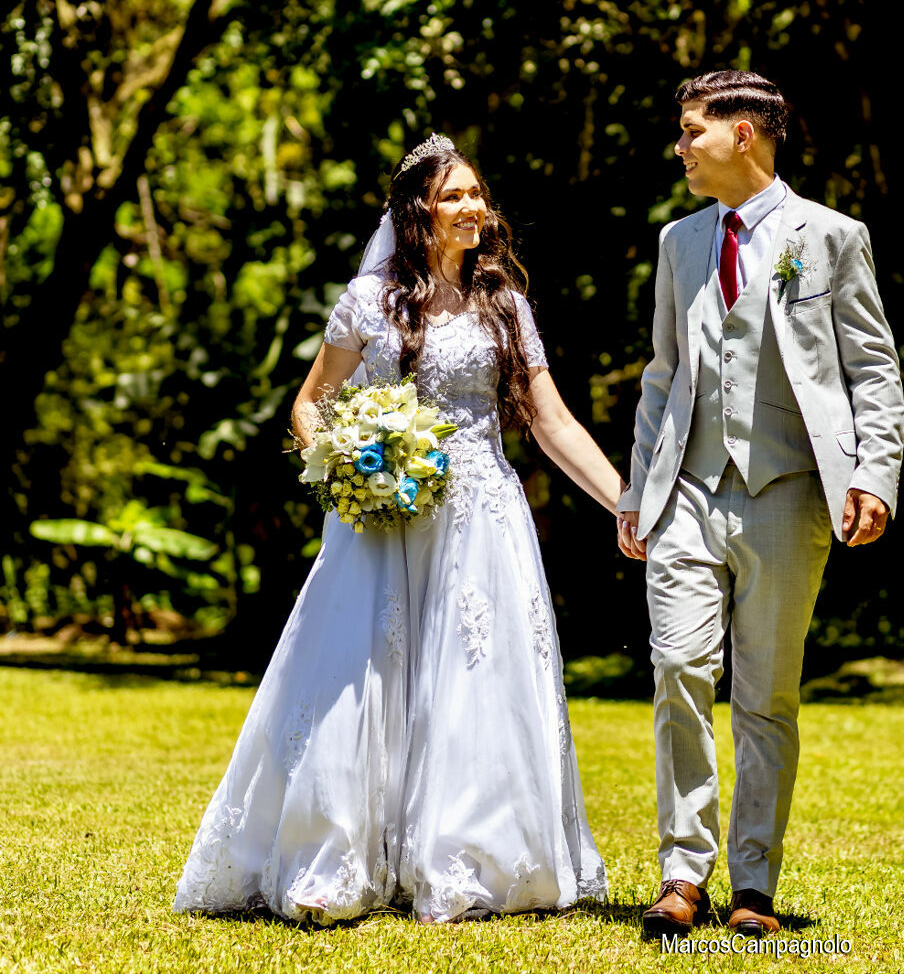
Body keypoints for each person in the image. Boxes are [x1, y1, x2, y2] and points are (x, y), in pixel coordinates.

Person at [173, 134, 622, 924]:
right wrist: (349, 467)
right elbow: (309, 406)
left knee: (476, 682)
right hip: (379, 520)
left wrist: (623, 499)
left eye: (477, 194)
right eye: (454, 196)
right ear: (417, 211)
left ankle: (469, 861)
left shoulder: (504, 304)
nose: (473, 207)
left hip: (480, 515)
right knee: (359, 678)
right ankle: (333, 863)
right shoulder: (368, 301)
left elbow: (549, 420)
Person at [614, 71, 904, 938]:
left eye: (692, 132)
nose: (681, 147)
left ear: (744, 136)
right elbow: (662, 375)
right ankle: (680, 872)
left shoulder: (832, 237)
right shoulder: (678, 241)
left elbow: (872, 369)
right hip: (686, 492)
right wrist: (636, 488)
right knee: (677, 670)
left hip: (787, 494)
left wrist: (872, 476)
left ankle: (753, 888)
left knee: (767, 697)